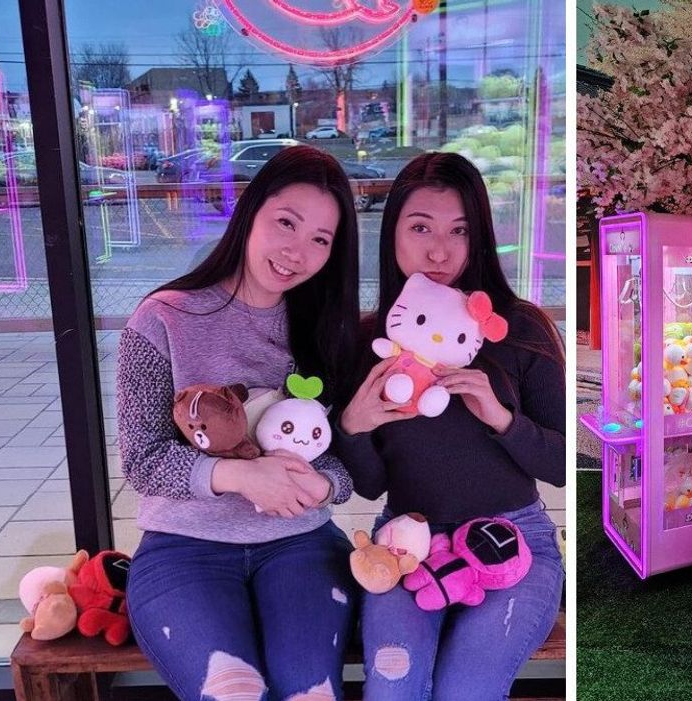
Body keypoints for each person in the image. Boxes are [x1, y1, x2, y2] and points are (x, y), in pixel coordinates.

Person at [117, 146, 363, 700]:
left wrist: (324, 483)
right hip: (184, 546)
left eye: (321, 240)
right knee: (233, 690)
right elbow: (142, 460)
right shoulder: (163, 318)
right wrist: (241, 477)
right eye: (286, 223)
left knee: (311, 693)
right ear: (251, 211)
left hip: (301, 545)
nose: (297, 252)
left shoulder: (325, 330)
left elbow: (344, 463)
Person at [335, 152, 566, 700]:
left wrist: (503, 421)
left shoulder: (519, 328)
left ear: (478, 238)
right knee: (393, 685)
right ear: (392, 234)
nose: (440, 251)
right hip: (405, 540)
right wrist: (352, 424)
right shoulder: (374, 341)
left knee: (467, 690)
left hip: (514, 540)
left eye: (459, 231)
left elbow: (561, 466)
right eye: (421, 228)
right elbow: (369, 485)